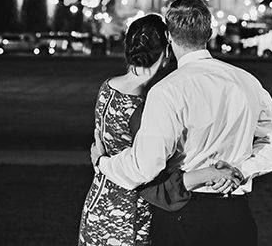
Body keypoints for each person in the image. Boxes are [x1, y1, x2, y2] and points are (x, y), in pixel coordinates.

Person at [93, 0, 272, 246]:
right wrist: (241, 171)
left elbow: (145, 167)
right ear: (209, 33)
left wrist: (103, 163)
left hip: (183, 215)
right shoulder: (247, 81)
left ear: (169, 37)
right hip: (236, 215)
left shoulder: (167, 91)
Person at [79, 14, 241, 245]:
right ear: (166, 53)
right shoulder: (146, 106)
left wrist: (100, 162)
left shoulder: (108, 87)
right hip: (129, 216)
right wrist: (209, 173)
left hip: (97, 206)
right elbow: (150, 173)